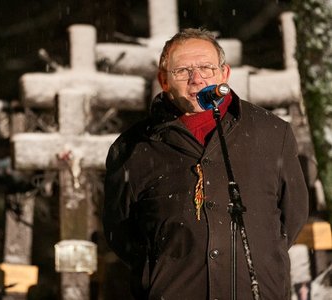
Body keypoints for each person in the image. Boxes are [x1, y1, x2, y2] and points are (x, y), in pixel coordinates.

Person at [103, 28, 309, 300]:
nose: (196, 79)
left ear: (224, 74)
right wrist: (159, 270)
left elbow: (292, 216)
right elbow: (121, 232)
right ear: (163, 80)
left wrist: (262, 256)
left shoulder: (271, 133)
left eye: (206, 68)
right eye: (182, 71)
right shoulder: (132, 147)